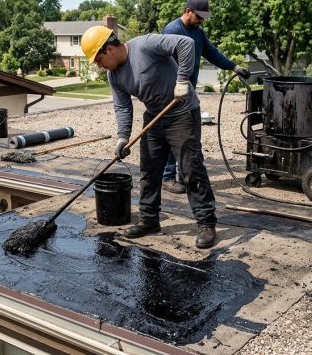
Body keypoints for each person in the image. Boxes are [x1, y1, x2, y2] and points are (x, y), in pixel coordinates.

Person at [80, 25, 222, 248]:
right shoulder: (114, 75)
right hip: (155, 117)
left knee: (191, 169)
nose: (99, 66)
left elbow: (186, 44)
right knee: (149, 171)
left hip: (182, 113)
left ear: (109, 49)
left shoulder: (145, 45)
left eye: (98, 60)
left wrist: (182, 80)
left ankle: (206, 223)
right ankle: (149, 220)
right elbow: (123, 107)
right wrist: (122, 138)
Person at [160, 0, 250, 194]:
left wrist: (234, 66)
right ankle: (167, 178)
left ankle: (184, 175)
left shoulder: (198, 32)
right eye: (199, 16)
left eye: (203, 17)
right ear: (187, 11)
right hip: (171, 93)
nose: (201, 20)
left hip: (187, 92)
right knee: (173, 135)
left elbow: (212, 53)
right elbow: (163, 63)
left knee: (188, 135)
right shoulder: (172, 31)